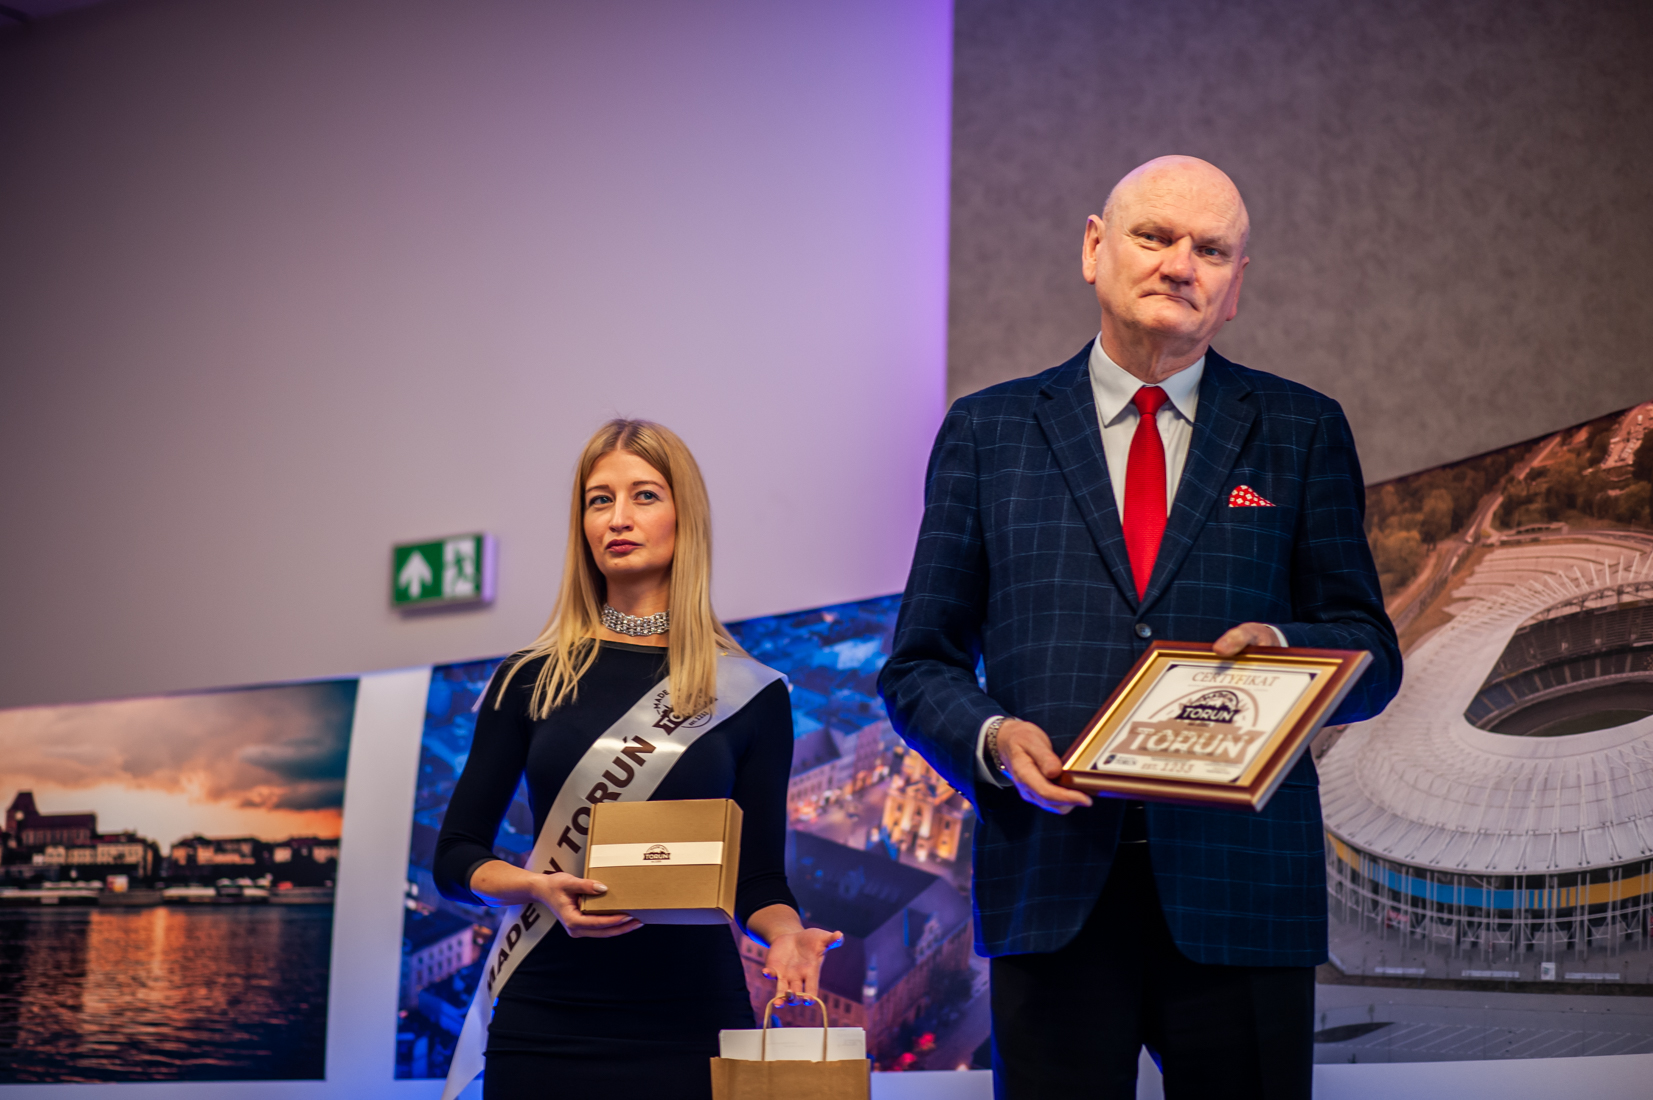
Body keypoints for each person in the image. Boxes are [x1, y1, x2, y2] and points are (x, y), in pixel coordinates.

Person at [878, 156, 1402, 1099]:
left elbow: (1373, 648)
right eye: (1153, 236)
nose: (1179, 264)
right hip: (1050, 884)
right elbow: (919, 664)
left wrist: (1289, 654)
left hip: (1243, 893)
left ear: (1235, 286)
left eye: (1211, 250)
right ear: (1093, 248)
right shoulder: (987, 432)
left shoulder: (1302, 430)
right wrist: (992, 739)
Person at [434, 419, 841, 1100]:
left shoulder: (752, 693)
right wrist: (535, 887)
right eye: (599, 500)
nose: (618, 518)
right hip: (545, 1019)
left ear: (685, 516)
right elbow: (454, 858)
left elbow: (759, 879)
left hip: (692, 1019)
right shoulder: (528, 678)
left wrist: (786, 934)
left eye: (644, 495)